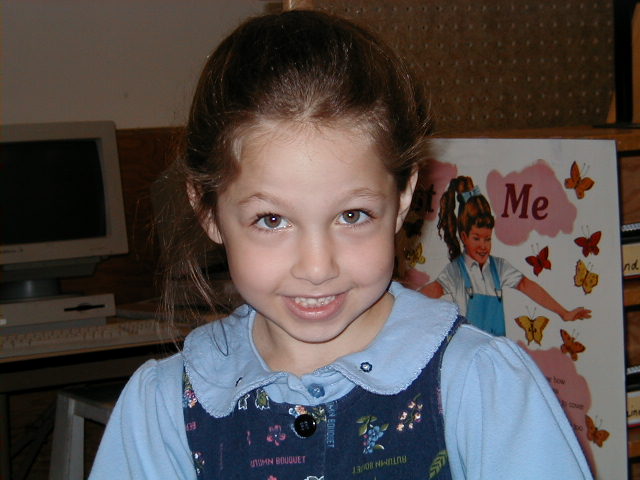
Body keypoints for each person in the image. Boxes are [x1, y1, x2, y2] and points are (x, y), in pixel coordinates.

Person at [90, 10, 593, 480]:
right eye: (271, 220)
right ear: (208, 211)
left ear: (403, 198)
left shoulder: (483, 386)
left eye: (352, 216)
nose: (317, 267)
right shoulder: (163, 408)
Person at [421, 176, 591, 336]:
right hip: (469, 350)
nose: (483, 245)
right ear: (464, 237)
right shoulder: (456, 271)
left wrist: (564, 313)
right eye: (476, 238)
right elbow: (432, 290)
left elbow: (526, 285)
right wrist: (406, 307)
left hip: (496, 348)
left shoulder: (499, 267)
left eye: (487, 239)